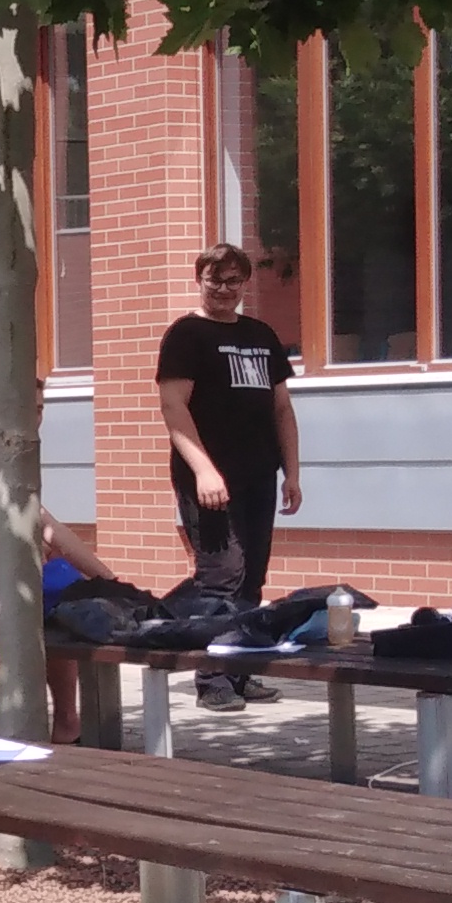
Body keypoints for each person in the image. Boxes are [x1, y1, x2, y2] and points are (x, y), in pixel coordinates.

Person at [154, 247, 301, 708]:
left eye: (233, 280)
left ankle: (240, 669)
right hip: (208, 480)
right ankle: (211, 679)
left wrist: (292, 473)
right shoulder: (186, 335)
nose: (223, 289)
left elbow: (282, 409)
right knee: (221, 575)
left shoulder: (261, 335)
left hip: (258, 475)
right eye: (214, 280)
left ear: (245, 284)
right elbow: (173, 406)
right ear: (199, 279)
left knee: (252, 576)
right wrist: (204, 470)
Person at [0, 407, 112, 743]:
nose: (36, 417)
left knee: (61, 594)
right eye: (30, 407)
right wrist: (107, 580)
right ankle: (67, 720)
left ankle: (67, 719)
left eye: (40, 408)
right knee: (65, 602)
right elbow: (40, 524)